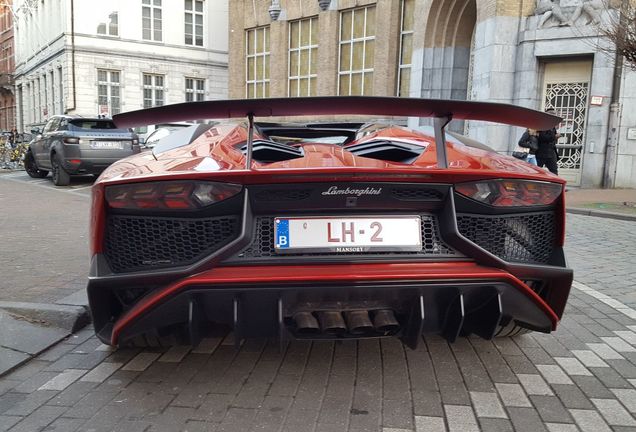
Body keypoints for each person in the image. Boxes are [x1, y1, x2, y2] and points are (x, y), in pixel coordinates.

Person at [536, 108, 560, 175]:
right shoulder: (542, 124)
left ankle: (556, 185)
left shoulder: (553, 125)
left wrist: (555, 138)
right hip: (542, 152)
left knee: (554, 171)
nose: (554, 117)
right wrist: (555, 137)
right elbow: (542, 137)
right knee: (537, 170)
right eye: (553, 115)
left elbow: (552, 137)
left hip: (551, 152)